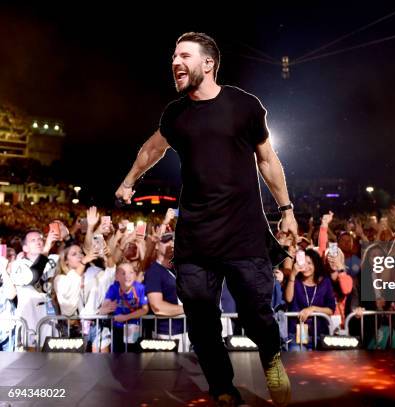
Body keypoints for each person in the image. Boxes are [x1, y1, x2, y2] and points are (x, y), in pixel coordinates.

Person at [114, 32, 296, 407]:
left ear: (208, 63)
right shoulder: (176, 113)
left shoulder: (244, 105)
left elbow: (268, 159)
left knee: (256, 311)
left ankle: (271, 357)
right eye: (173, 57)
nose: (175, 63)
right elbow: (152, 148)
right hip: (195, 237)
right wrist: (130, 180)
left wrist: (287, 210)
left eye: (184, 56)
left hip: (244, 233)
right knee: (200, 317)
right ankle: (222, 387)